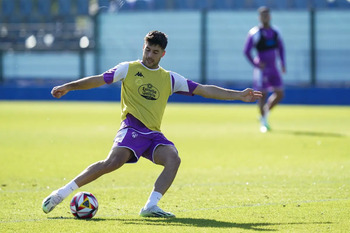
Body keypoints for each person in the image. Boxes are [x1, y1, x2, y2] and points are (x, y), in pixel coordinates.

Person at [42, 30, 262, 218]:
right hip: (131, 127)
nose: (149, 55)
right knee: (113, 162)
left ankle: (150, 206)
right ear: (143, 47)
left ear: (163, 54)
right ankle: (61, 193)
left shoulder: (170, 79)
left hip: (153, 134)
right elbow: (99, 79)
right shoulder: (128, 69)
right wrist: (69, 86)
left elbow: (204, 89)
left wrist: (239, 95)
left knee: (173, 158)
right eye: (147, 50)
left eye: (155, 52)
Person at [244, 6, 286, 133]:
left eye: (267, 15)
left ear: (270, 16)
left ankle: (265, 112)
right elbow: (246, 51)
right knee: (262, 95)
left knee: (280, 93)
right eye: (262, 15)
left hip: (274, 68)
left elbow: (281, 48)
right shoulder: (254, 33)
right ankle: (264, 122)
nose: (265, 17)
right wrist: (256, 64)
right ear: (259, 17)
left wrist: (283, 63)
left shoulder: (275, 32)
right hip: (262, 70)